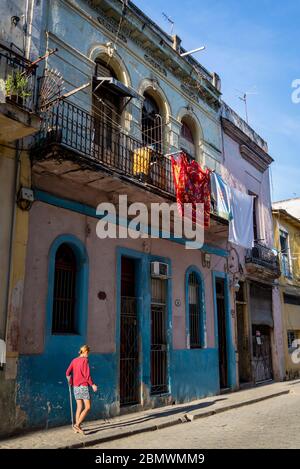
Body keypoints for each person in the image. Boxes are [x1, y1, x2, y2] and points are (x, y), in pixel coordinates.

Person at [66, 344, 97, 434]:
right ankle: (77, 424)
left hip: (75, 387)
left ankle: (77, 427)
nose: (88, 355)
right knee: (87, 407)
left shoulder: (74, 360)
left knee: (79, 407)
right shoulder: (85, 360)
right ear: (86, 352)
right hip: (83, 386)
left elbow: (67, 372)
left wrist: (71, 382)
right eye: (88, 353)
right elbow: (87, 375)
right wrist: (93, 385)